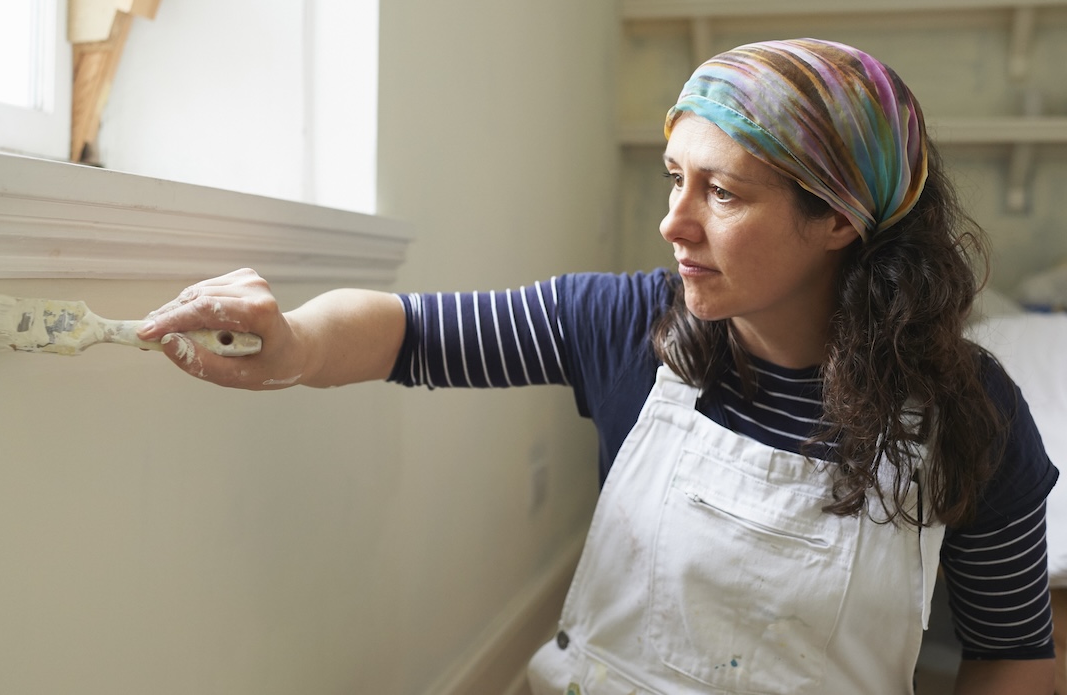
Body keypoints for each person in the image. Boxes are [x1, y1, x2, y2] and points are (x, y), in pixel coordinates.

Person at [137, 39, 1058, 694]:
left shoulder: (969, 412)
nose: (674, 221)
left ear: (839, 220)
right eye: (673, 176)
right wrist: (294, 343)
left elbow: (1014, 654)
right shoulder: (627, 324)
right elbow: (404, 330)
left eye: (723, 191)